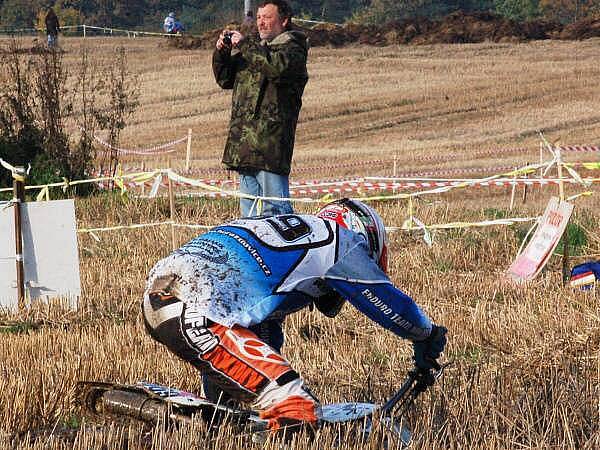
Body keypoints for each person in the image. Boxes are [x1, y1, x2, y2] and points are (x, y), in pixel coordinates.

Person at [142, 198, 447, 433]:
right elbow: (388, 302)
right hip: (197, 308)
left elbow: (260, 341)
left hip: (162, 296)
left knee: (236, 411)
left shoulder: (283, 236)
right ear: (365, 239)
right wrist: (426, 334)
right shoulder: (338, 240)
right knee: (295, 405)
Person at [212, 0, 309, 217]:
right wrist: (222, 53)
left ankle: (284, 251)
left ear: (284, 21)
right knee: (250, 221)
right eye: (258, 18)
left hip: (270, 146)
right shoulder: (255, 51)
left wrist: (244, 45)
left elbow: (275, 68)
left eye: (267, 17)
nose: (261, 23)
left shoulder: (293, 50)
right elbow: (225, 79)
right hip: (245, 147)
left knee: (277, 215)